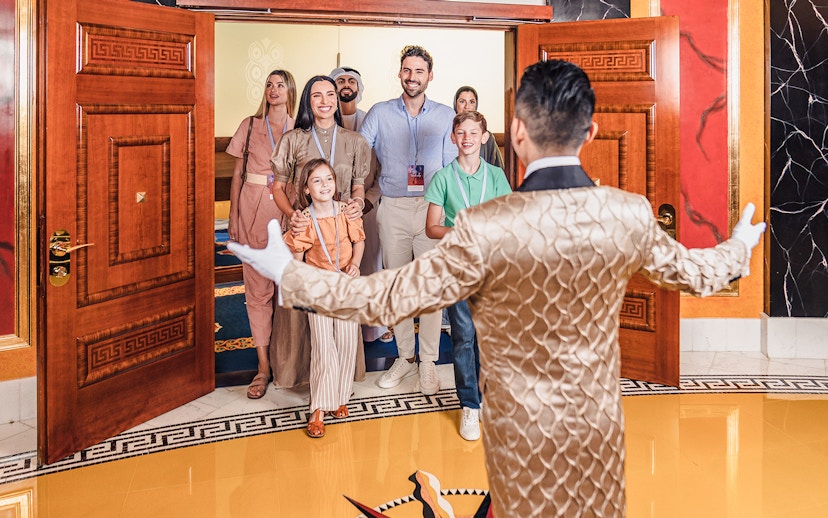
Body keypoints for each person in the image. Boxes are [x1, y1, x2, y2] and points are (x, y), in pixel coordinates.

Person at [228, 59, 766, 516]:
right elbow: (701, 274)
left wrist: (288, 271)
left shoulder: (485, 227)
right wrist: (740, 245)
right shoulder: (625, 214)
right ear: (591, 133)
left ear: (517, 132)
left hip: (518, 441)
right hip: (599, 437)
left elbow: (384, 297)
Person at [358, 45, 457, 395]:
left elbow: (450, 168)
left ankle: (428, 362)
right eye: (406, 70)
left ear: (430, 76)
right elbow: (358, 149)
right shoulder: (380, 113)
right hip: (394, 207)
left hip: (433, 209)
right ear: (399, 73)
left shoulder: (446, 116)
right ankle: (405, 357)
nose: (412, 76)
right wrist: (354, 189)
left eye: (419, 71)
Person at [269, 75, 371, 388]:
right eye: (317, 95)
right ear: (308, 102)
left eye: (330, 94)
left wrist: (356, 203)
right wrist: (293, 215)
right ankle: (298, 376)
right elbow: (279, 187)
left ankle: (340, 379)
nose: (325, 101)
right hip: (304, 234)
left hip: (340, 237)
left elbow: (358, 186)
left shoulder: (355, 141)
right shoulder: (294, 139)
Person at [424, 110, 512, 441]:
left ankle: (488, 398)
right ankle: (469, 405)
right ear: (453, 138)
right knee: (463, 335)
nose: (467, 138)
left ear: (484, 137)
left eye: (473, 132)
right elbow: (432, 228)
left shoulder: (497, 177)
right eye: (461, 132)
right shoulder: (443, 178)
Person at [225, 69, 296, 399]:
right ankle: (263, 366)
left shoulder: (301, 129)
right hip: (253, 210)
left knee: (290, 292)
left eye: (280, 85)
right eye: (269, 84)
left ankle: (291, 362)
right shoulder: (250, 125)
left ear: (290, 90)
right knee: (257, 292)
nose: (273, 89)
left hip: (288, 214)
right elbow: (237, 173)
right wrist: (233, 219)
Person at [283, 158, 365, 438]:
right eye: (316, 181)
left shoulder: (346, 212)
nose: (324, 185)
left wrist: (355, 263)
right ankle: (318, 408)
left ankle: (339, 395)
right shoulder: (304, 219)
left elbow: (359, 241)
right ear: (306, 189)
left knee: (345, 342)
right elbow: (296, 256)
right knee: (323, 346)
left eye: (328, 178)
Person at [329, 66, 392, 344]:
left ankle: (373, 328)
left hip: (366, 205)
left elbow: (383, 169)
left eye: (350, 81)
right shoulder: (324, 120)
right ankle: (341, 329)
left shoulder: (372, 120)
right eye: (340, 80)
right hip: (330, 208)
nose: (345, 85)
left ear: (359, 87)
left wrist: (369, 199)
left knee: (370, 264)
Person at [453, 86, 505, 170]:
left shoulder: (487, 137)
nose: (467, 106)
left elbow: (497, 168)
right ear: (455, 104)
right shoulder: (446, 133)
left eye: (472, 102)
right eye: (462, 101)